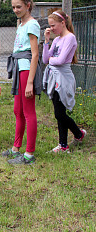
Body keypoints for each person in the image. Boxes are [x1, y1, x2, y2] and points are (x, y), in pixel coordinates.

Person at [4, 0, 42, 165]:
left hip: (27, 70)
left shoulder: (32, 24)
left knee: (28, 111)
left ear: (28, 5)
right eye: (13, 7)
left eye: (18, 6)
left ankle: (29, 154)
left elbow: (35, 54)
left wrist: (30, 83)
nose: (15, 10)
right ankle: (16, 148)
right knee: (17, 111)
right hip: (19, 68)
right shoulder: (20, 24)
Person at [42, 10, 87, 153]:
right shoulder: (56, 40)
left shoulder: (70, 38)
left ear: (63, 23)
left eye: (53, 25)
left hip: (63, 78)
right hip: (54, 77)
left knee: (59, 114)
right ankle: (64, 144)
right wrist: (47, 41)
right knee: (58, 111)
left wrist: (51, 60)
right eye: (50, 26)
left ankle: (77, 135)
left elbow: (60, 60)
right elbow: (44, 59)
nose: (52, 29)